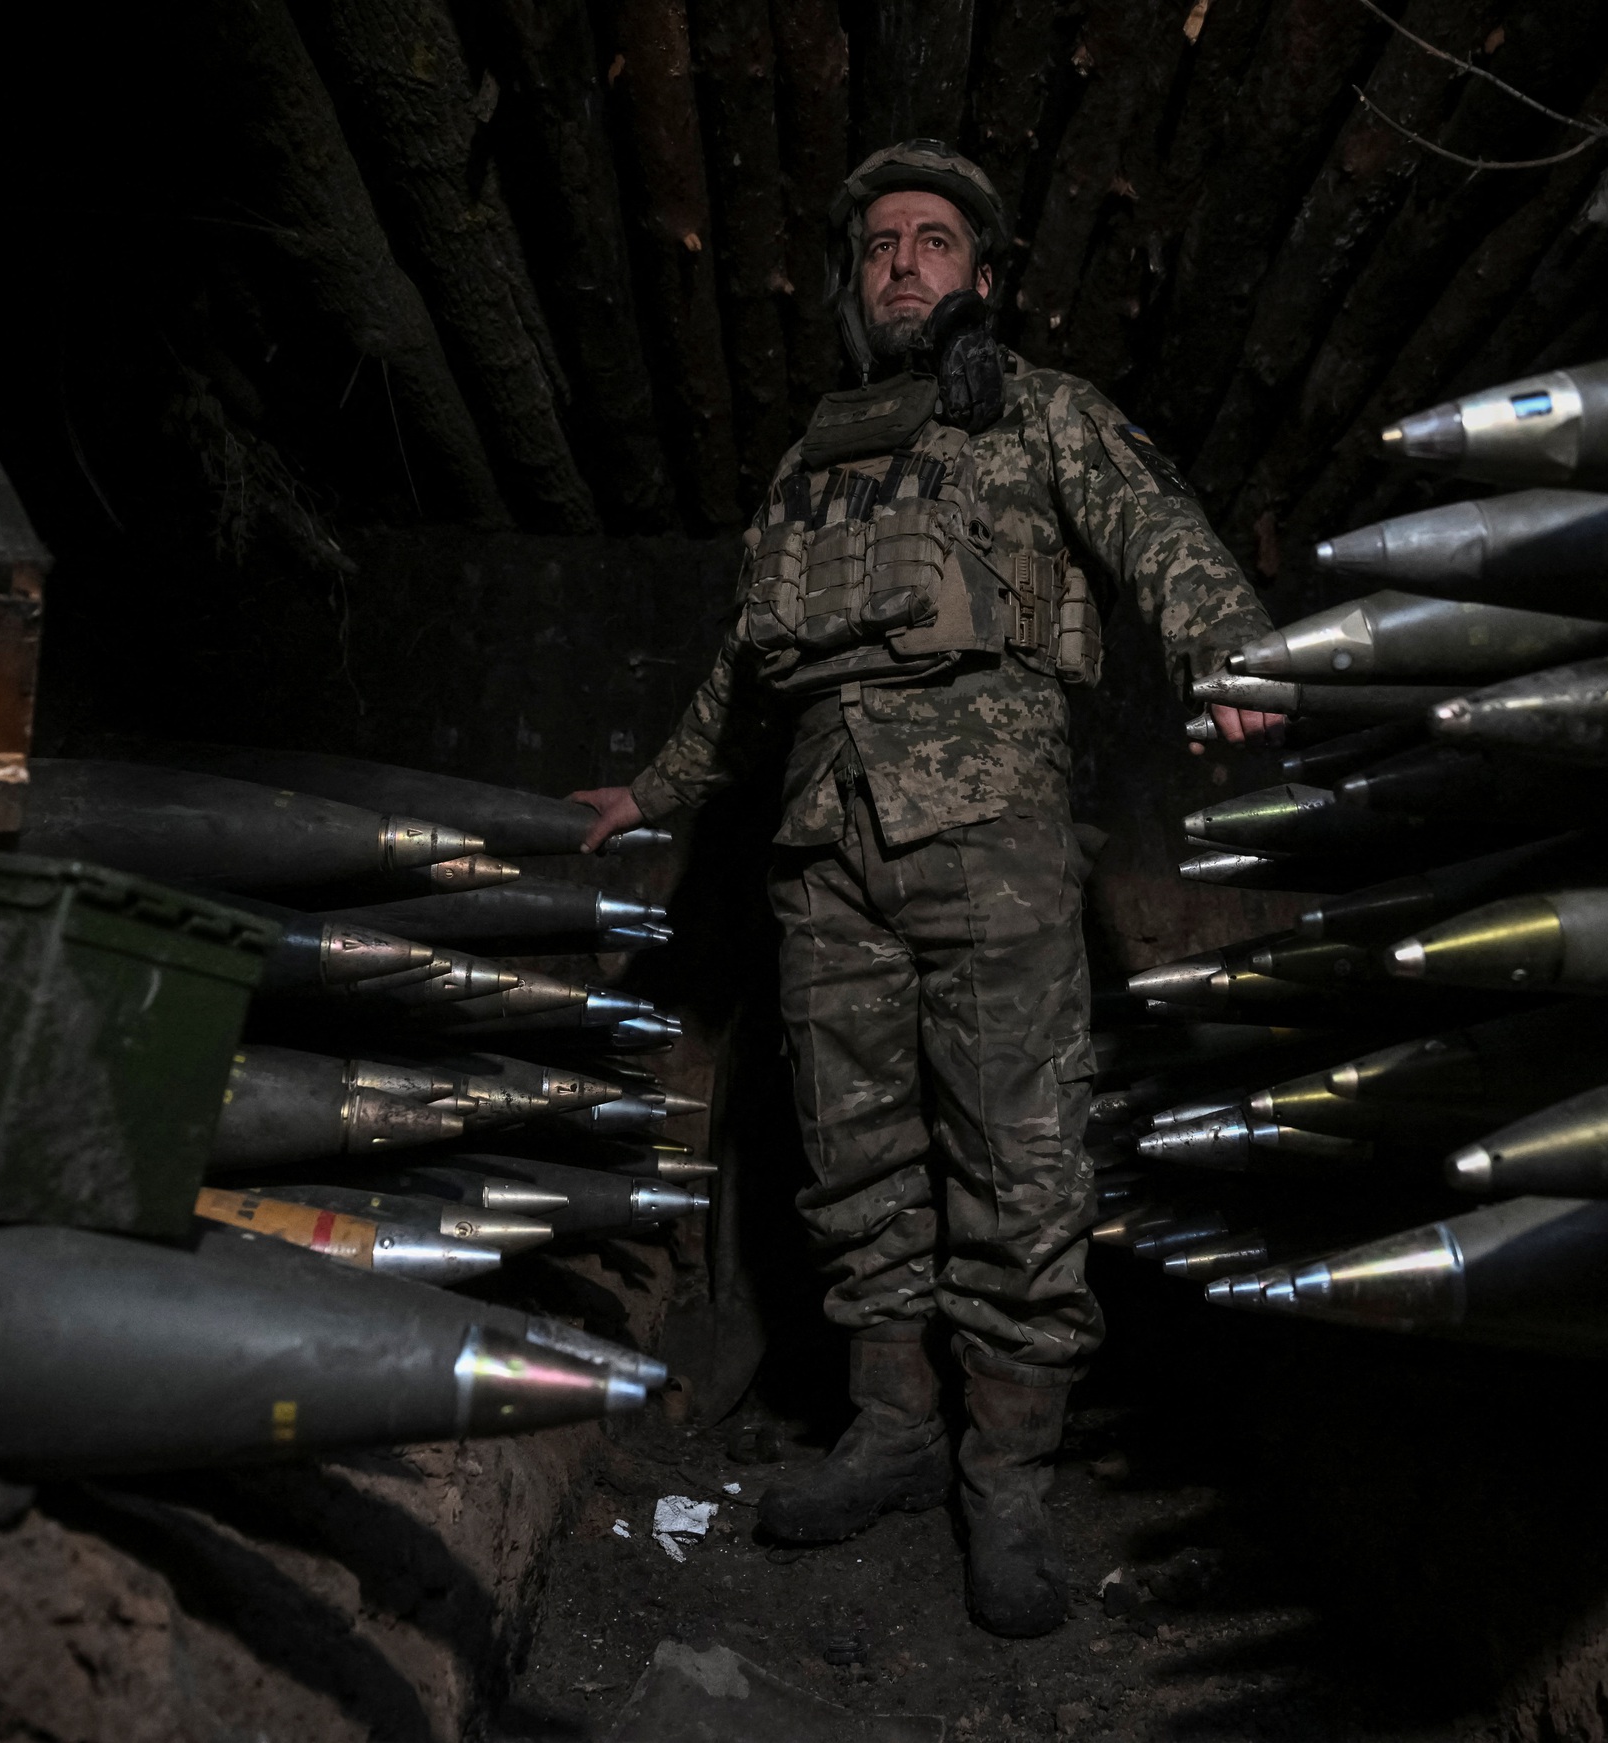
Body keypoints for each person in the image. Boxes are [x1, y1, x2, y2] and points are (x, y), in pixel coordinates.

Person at [571, 140, 1281, 1638]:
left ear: (984, 277)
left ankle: (1006, 1483)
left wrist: (1228, 651)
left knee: (1018, 1163)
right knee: (854, 1161)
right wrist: (654, 790)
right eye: (883, 243)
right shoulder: (811, 462)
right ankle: (892, 1432)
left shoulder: (1038, 412)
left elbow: (1157, 528)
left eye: (935, 241)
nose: (903, 263)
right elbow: (748, 670)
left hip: (991, 838)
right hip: (824, 853)